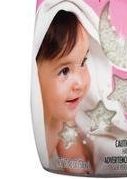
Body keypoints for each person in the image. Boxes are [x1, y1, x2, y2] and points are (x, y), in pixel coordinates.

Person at [36, 10, 94, 174]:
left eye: (83, 62)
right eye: (65, 71)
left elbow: (74, 157)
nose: (80, 83)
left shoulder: (62, 119)